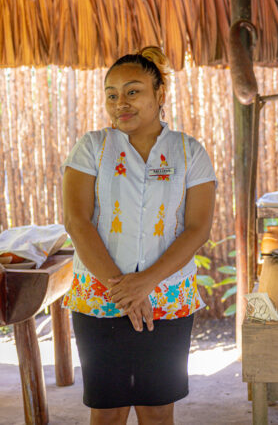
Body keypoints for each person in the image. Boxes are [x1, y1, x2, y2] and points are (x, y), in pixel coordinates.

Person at [62, 46, 216, 425]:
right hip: (100, 294)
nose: (120, 103)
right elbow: (77, 222)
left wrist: (145, 283)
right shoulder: (93, 148)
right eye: (111, 94)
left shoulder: (188, 151)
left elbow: (198, 228)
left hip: (167, 296)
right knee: (108, 412)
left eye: (133, 91)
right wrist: (123, 291)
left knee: (158, 412)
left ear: (160, 94)